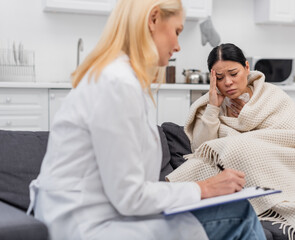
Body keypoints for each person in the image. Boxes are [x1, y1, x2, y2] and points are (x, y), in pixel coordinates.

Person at [26, 1, 266, 240]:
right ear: (153, 19)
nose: (178, 46)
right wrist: (204, 188)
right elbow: (130, 196)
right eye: (177, 32)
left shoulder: (119, 79)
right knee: (240, 214)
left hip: (101, 214)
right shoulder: (117, 84)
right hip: (87, 226)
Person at [166, 43, 295, 240]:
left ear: (247, 68)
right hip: (241, 173)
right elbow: (202, 148)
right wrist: (213, 108)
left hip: (286, 167)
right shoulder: (209, 106)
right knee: (238, 147)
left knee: (240, 146)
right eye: (220, 77)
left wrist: (249, 118)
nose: (228, 82)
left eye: (234, 73)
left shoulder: (271, 95)